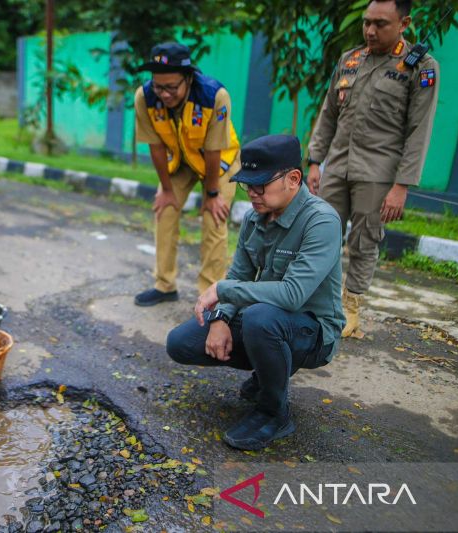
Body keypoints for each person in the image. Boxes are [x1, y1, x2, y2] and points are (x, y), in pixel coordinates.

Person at [166, 135, 345, 451]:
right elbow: (240, 275)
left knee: (261, 318)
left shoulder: (322, 221)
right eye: (247, 185)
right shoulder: (254, 217)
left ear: (293, 179)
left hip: (312, 332)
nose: (252, 193)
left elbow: (292, 295)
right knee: (181, 343)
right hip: (269, 323)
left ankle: (274, 412)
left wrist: (222, 290)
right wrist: (221, 317)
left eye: (260, 185)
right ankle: (268, 373)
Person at [307, 0, 439, 338]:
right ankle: (319, 303)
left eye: (380, 23)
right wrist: (314, 162)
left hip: (378, 172)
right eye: (367, 22)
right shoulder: (350, 60)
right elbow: (328, 115)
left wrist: (402, 185)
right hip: (337, 165)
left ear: (404, 23)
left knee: (364, 241)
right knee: (322, 235)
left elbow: (418, 130)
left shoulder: (421, 68)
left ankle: (350, 309)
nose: (370, 30)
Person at [132, 42, 241, 307]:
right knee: (165, 211)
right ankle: (164, 285)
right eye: (159, 86)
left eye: (171, 87)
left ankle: (211, 293)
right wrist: (167, 190)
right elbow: (155, 146)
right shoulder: (145, 97)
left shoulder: (215, 95)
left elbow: (214, 148)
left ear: (188, 78)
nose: (164, 94)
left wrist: (212, 193)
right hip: (180, 161)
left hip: (220, 163)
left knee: (214, 219)